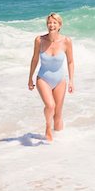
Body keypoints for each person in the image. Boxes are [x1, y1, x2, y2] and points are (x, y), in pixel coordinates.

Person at [28, 12, 74, 141]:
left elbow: (70, 61)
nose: (51, 25)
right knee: (50, 106)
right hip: (43, 78)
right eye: (49, 22)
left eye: (54, 22)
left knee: (58, 114)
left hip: (60, 80)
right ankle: (48, 127)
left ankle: (58, 143)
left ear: (59, 25)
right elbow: (35, 59)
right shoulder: (39, 40)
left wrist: (71, 81)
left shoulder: (66, 41)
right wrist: (30, 78)